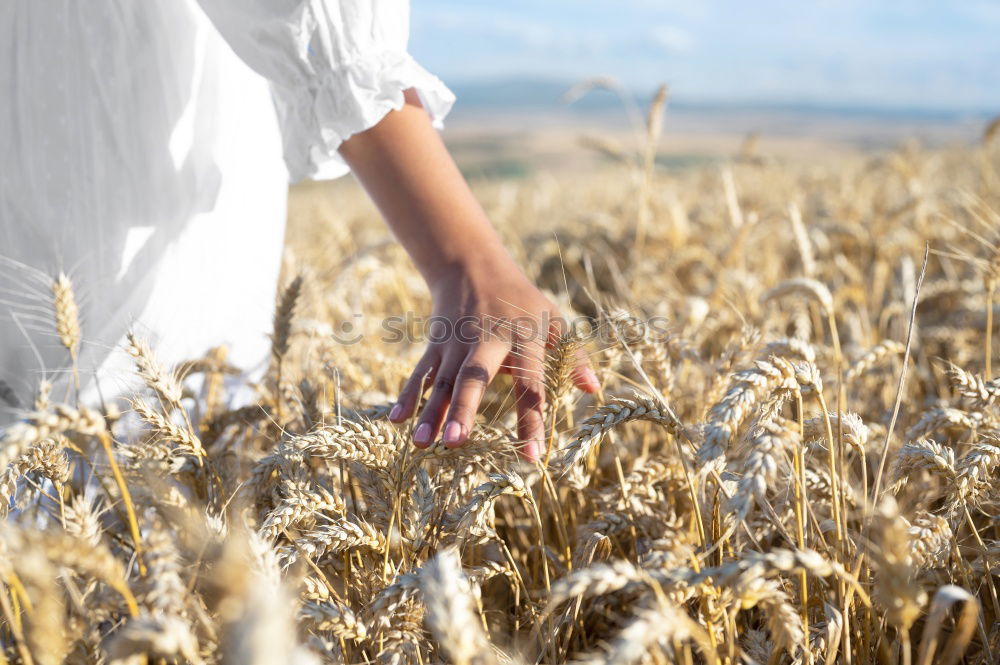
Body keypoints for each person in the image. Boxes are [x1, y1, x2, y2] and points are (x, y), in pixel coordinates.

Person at [0, 1, 598, 460]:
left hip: (68, 148)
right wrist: (467, 259)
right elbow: (320, 26)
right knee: (135, 462)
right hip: (121, 187)